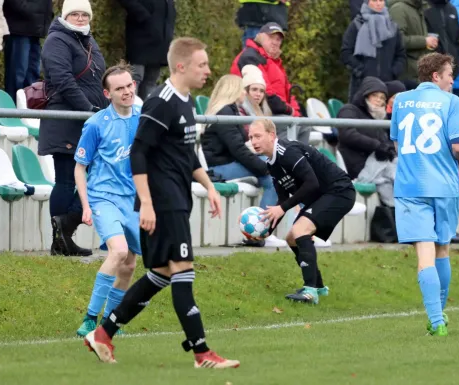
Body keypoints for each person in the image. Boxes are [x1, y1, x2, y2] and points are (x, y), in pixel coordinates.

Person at [83, 37, 240, 369]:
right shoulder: (162, 102)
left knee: (161, 274)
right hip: (164, 205)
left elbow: (186, 155)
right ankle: (202, 353)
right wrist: (148, 204)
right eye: (202, 65)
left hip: (176, 201)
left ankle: (104, 332)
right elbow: (138, 152)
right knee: (183, 273)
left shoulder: (185, 103)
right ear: (181, 66)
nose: (208, 71)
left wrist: (209, 187)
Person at [389, 53, 459, 336]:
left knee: (424, 254)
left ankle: (436, 321)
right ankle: (439, 317)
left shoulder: (401, 100)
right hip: (443, 186)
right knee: (442, 249)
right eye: (449, 75)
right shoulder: (452, 102)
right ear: (436, 76)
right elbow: (458, 146)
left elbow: (397, 144)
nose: (452, 80)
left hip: (410, 187)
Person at [249, 119, 356, 304]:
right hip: (321, 196)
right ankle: (319, 287)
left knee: (300, 231)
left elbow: (311, 183)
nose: (253, 141)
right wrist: (265, 231)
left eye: (258, 136)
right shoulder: (271, 164)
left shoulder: (287, 151)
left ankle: (309, 292)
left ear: (272, 135)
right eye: (250, 137)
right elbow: (283, 200)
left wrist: (281, 208)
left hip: (339, 191)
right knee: (291, 238)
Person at [74, 62, 141, 337]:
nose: (126, 91)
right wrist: (86, 205)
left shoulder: (143, 118)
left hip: (133, 200)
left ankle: (109, 323)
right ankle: (90, 318)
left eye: (129, 86)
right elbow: (80, 166)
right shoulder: (95, 124)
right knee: (119, 251)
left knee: (130, 265)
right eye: (119, 88)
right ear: (107, 94)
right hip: (103, 197)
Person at [40, 0, 107, 256]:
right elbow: (63, 80)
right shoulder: (57, 40)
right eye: (75, 14)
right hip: (67, 120)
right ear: (65, 15)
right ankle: (60, 241)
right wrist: (89, 110)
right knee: (67, 180)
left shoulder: (87, 39)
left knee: (95, 179)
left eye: (84, 14)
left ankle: (64, 235)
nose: (80, 18)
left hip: (88, 121)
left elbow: (99, 77)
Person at [201, 74, 286, 248]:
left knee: (277, 172)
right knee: (272, 177)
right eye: (241, 88)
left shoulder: (230, 110)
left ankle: (266, 231)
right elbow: (237, 149)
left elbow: (240, 147)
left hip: (227, 164)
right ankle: (263, 232)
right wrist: (264, 168)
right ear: (233, 90)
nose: (243, 92)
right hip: (220, 168)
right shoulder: (225, 112)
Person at [340, 0, 406, 102]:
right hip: (362, 86)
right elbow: (346, 53)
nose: (378, 3)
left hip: (387, 86)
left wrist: (393, 71)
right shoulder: (357, 25)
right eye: (374, 0)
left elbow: (400, 54)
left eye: (381, 0)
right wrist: (361, 70)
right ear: (367, 2)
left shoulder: (392, 27)